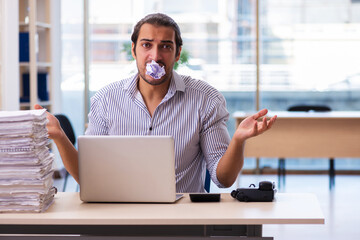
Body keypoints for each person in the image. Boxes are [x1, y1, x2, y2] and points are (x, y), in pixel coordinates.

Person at [35, 13, 277, 192]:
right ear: (134, 50)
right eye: (147, 45)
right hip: (117, 215)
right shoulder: (105, 100)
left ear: (177, 53)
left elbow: (224, 180)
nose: (156, 56)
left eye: (165, 46)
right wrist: (58, 136)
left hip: (183, 219)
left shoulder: (206, 99)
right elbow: (88, 176)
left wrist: (237, 140)